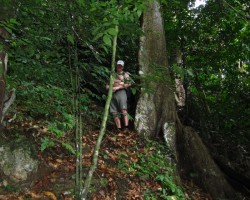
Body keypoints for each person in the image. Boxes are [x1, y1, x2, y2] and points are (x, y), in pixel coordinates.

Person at [106, 60, 131, 133]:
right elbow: (107, 85)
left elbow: (129, 83)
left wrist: (119, 86)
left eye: (120, 66)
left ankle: (126, 127)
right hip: (112, 94)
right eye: (118, 65)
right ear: (116, 66)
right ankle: (118, 128)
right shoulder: (112, 75)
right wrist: (111, 87)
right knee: (114, 111)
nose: (119, 67)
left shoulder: (125, 75)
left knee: (123, 109)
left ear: (123, 67)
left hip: (121, 92)